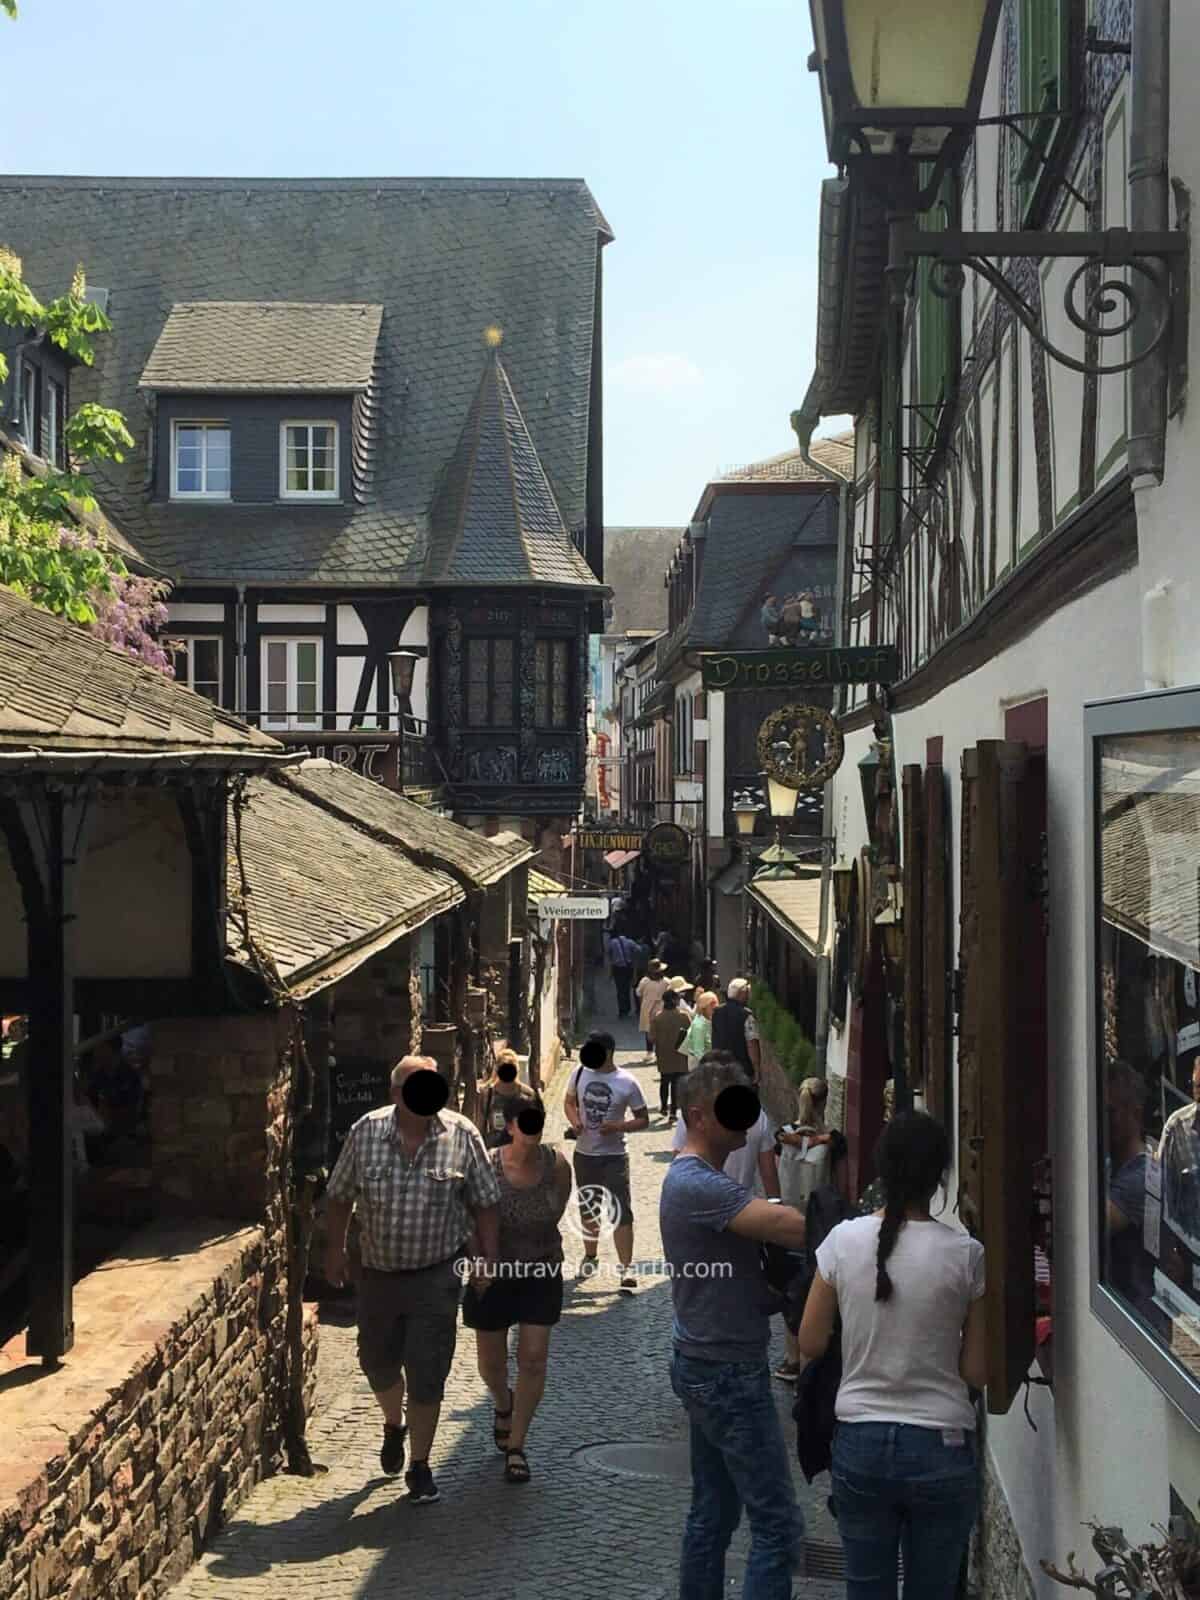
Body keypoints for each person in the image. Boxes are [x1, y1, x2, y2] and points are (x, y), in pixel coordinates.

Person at [797, 1110, 986, 1599]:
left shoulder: (842, 1241)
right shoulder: (966, 1255)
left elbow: (810, 1343)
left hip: (861, 1442)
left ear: (881, 1169)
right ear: (940, 1176)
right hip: (941, 1445)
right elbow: (977, 1370)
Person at [324, 1055, 501, 1506]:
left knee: (428, 1371)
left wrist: (488, 1258)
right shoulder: (366, 1132)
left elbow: (484, 1202)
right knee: (377, 1363)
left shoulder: (462, 1135)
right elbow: (340, 1196)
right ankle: (393, 1424)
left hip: (436, 1274)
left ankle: (420, 1465)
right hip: (378, 1274)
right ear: (397, 1094)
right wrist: (336, 1251)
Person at [661, 1057, 807, 1599]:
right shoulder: (697, 1183)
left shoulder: (704, 1179)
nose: (745, 1121)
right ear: (699, 1116)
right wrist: (862, 1226)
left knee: (713, 1512)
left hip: (708, 1360)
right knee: (778, 1526)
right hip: (726, 1372)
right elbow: (782, 1224)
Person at [463, 1095, 572, 1484]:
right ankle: (502, 1401)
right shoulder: (486, 1165)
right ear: (509, 1125)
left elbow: (557, 1212)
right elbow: (469, 1217)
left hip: (541, 1270)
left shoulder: (557, 1165)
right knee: (491, 1365)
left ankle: (517, 1445)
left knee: (533, 1358)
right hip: (492, 1275)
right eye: (524, 1121)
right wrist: (478, 1258)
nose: (532, 1128)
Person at [564, 1030, 649, 1292]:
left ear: (608, 1052)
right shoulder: (578, 1073)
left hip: (614, 1156)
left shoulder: (627, 1082)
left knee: (621, 1210)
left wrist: (619, 1126)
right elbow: (568, 1102)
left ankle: (626, 1269)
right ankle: (590, 1256)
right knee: (589, 1208)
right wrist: (575, 1121)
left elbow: (643, 1118)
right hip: (584, 1154)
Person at [670, 1049, 781, 1198]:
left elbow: (678, 1155)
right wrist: (776, 1203)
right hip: (741, 1200)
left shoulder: (693, 1115)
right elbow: (769, 1172)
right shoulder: (759, 1117)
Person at [1105, 1060, 1155, 1317]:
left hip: (1136, 1320)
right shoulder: (1111, 1165)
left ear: (1135, 1113)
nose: (1101, 1123)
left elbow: (1090, 1226)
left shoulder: (1141, 1177)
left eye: (1109, 1113)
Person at [711, 978, 762, 1079]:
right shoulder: (746, 1015)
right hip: (742, 1070)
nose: (749, 996)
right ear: (741, 994)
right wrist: (756, 1068)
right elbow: (751, 1044)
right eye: (747, 993)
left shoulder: (716, 1012)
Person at [652, 990, 691, 1121]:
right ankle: (673, 1111)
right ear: (675, 1001)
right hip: (680, 1054)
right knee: (676, 1083)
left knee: (664, 1081)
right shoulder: (684, 1017)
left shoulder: (657, 1017)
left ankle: (663, 1106)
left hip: (663, 1054)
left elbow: (652, 1038)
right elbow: (690, 1033)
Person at [477, 1050, 528, 1150]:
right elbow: (480, 1127)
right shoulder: (487, 1094)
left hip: (519, 1152)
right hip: (495, 1151)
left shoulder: (527, 1095)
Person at [636, 959, 670, 1054]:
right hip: (661, 1008)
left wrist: (642, 1005)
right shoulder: (666, 982)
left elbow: (639, 994)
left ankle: (649, 1051)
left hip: (647, 1008)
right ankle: (659, 1051)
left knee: (649, 1030)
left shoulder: (644, 981)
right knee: (660, 1030)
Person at [682, 990, 718, 1071]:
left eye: (715, 1004)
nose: (714, 1007)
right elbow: (699, 1052)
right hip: (700, 1068)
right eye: (711, 1005)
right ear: (703, 1007)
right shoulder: (699, 1024)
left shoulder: (708, 1020)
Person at [608, 928, 640, 1019]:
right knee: (626, 988)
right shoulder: (630, 942)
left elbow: (609, 954)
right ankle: (627, 1008)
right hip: (628, 968)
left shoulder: (612, 942)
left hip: (617, 969)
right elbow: (639, 950)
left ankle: (622, 1010)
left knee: (620, 989)